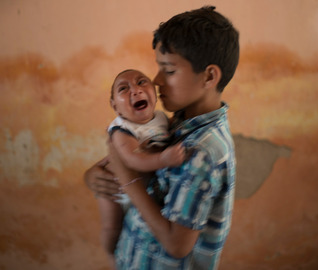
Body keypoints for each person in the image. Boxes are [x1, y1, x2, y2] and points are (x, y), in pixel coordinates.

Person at [84, 5, 239, 269]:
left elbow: (177, 245)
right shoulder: (179, 122)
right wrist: (97, 176)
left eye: (168, 70)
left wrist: (127, 179)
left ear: (209, 76)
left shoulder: (202, 151)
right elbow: (139, 165)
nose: (156, 80)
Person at [99, 69, 186, 268]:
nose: (136, 90)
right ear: (115, 106)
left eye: (141, 82)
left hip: (140, 188)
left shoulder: (162, 118)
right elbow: (132, 160)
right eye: (124, 89)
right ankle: (111, 256)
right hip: (116, 190)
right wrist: (163, 158)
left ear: (154, 94)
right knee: (112, 226)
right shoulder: (122, 129)